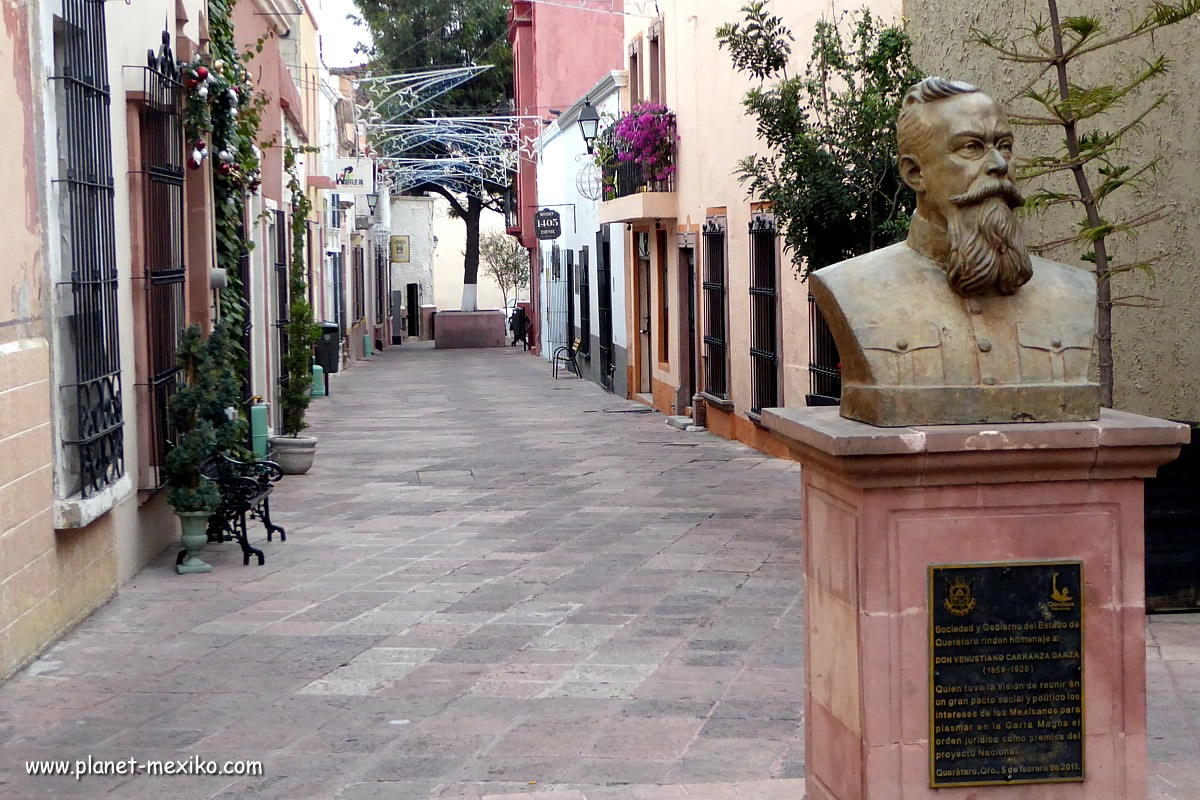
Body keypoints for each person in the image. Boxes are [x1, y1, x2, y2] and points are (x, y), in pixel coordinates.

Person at [809, 77, 1099, 426]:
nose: (999, 165)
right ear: (915, 173)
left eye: (1004, 146)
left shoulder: (1074, 291)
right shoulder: (852, 287)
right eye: (972, 148)